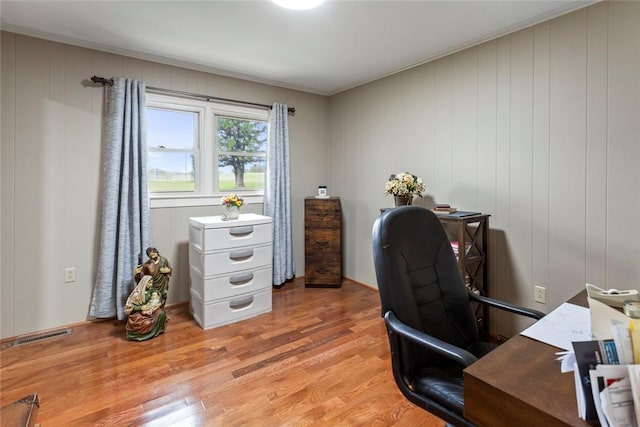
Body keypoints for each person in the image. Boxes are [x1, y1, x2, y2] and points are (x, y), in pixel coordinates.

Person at [125, 247, 171, 341]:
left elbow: (169, 269)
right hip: (153, 286)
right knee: (152, 305)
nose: (152, 255)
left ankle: (160, 318)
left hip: (163, 284)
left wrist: (168, 271)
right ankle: (150, 324)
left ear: (157, 252)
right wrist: (136, 273)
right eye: (150, 254)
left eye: (153, 253)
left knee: (162, 300)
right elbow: (141, 278)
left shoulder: (163, 260)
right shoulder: (147, 265)